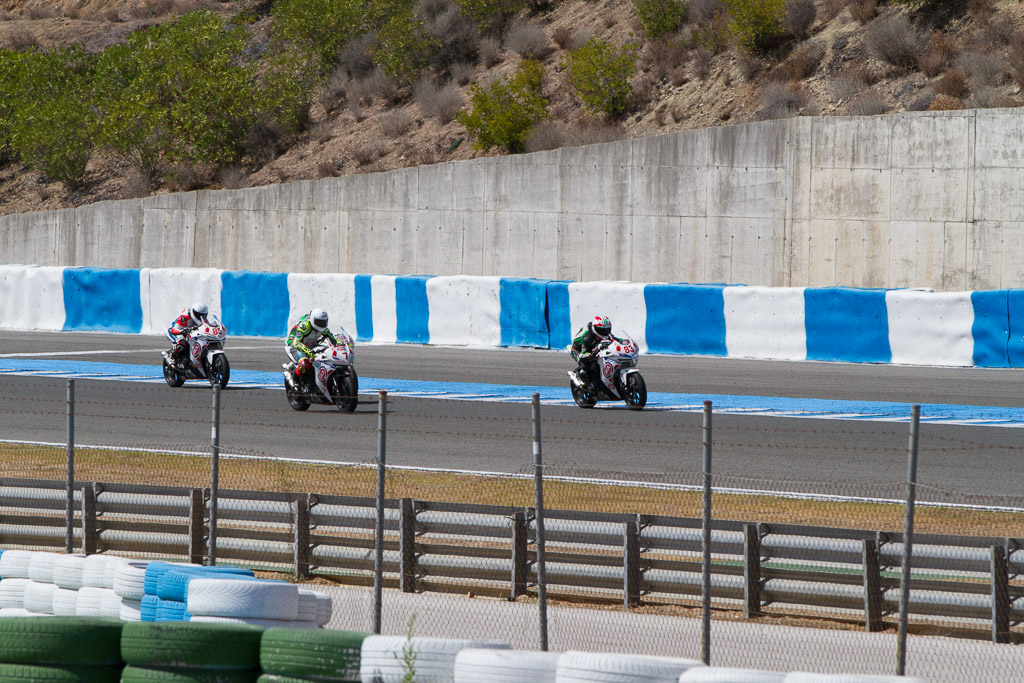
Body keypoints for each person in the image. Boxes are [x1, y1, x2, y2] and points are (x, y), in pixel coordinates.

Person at [284, 308, 347, 389]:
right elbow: (296, 342)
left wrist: (341, 344)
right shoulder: (305, 326)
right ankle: (295, 382)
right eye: (319, 322)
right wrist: (306, 350)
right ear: (313, 320)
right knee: (304, 363)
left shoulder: (323, 328)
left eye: (323, 322)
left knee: (325, 355)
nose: (321, 324)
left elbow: (332, 338)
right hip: (295, 345)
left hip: (312, 344)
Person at [569, 315, 613, 389]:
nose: (605, 332)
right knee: (586, 363)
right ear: (595, 329)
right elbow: (582, 355)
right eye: (602, 330)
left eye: (607, 329)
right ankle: (580, 376)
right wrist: (592, 354)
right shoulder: (588, 337)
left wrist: (623, 341)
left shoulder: (606, 334)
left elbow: (614, 339)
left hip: (593, 346)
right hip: (578, 349)